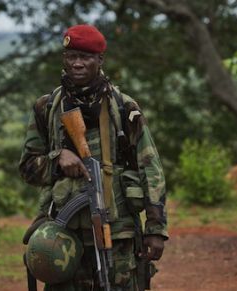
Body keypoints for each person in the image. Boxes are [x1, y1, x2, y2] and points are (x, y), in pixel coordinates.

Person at [19, 24, 168, 290]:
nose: (77, 63)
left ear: (100, 60)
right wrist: (57, 159)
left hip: (117, 233)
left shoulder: (123, 108)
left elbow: (151, 168)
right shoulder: (47, 108)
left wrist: (155, 229)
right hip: (64, 238)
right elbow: (28, 167)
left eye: (85, 57)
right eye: (71, 56)